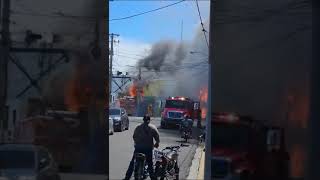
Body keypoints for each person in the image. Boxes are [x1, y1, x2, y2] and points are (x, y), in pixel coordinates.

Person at [123, 115, 160, 180]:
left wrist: (137, 143)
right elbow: (157, 138)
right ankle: (153, 178)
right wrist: (157, 143)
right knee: (150, 164)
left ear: (143, 120)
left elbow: (134, 136)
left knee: (132, 163)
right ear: (149, 120)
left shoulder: (138, 127)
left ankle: (127, 177)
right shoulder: (152, 128)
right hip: (148, 149)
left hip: (138, 148)